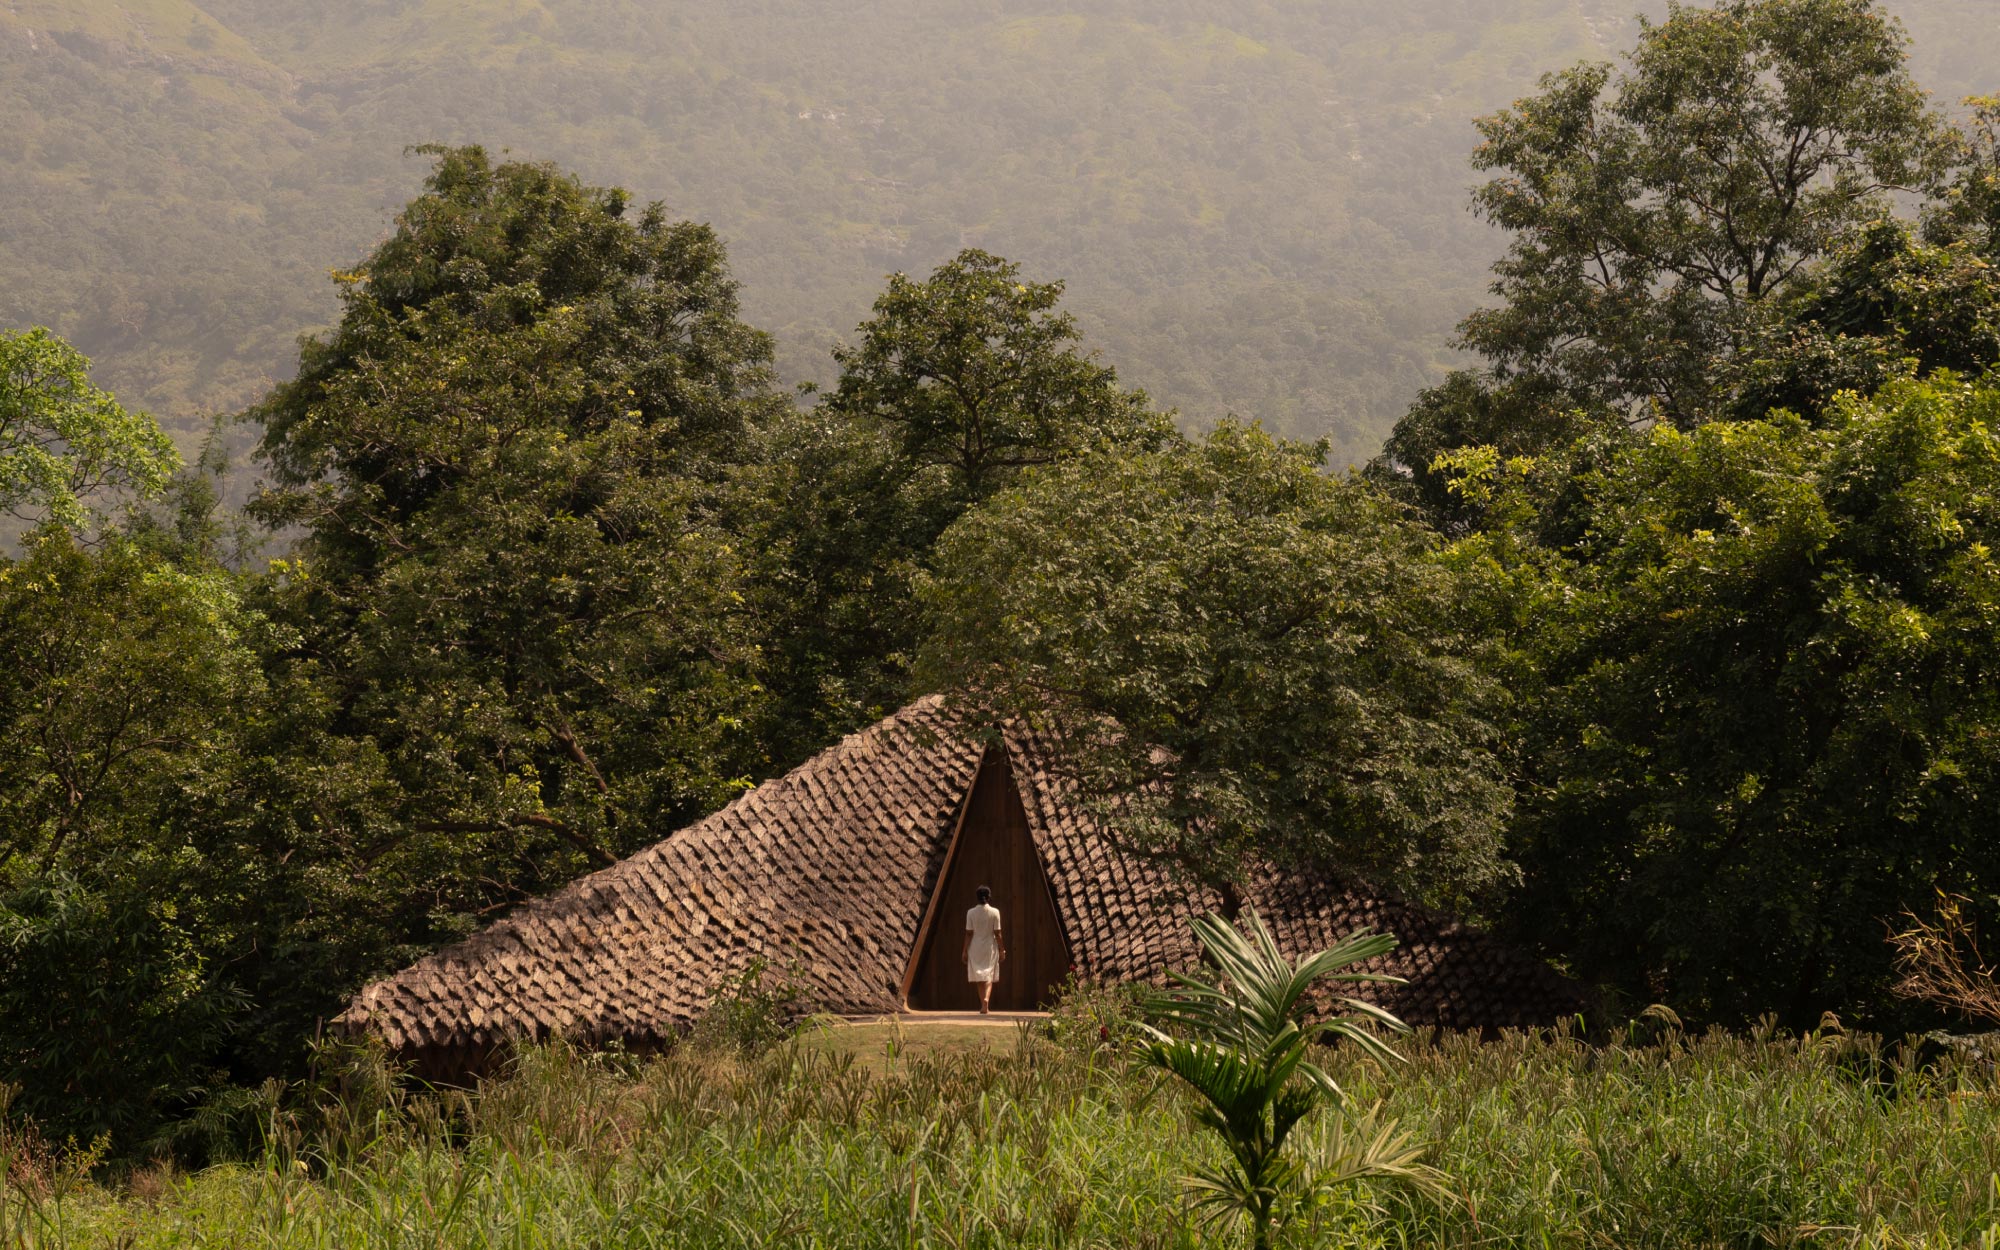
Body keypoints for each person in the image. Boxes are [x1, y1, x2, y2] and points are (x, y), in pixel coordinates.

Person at [961, 885, 1006, 1014]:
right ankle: (986, 1000)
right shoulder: (995, 912)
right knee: (989, 974)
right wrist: (1002, 949)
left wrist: (964, 950)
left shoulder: (970, 912)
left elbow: (969, 933)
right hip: (989, 947)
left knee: (979, 976)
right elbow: (998, 933)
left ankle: (983, 1004)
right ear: (989, 897)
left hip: (975, 947)